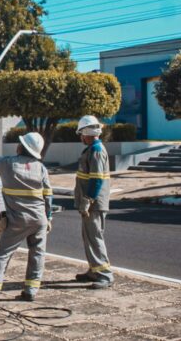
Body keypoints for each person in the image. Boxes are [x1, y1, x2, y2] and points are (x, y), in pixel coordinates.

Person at [0, 132, 53, 303]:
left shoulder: (7, 164)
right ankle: (30, 291)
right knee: (37, 254)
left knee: (3, 254)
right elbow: (48, 195)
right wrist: (48, 217)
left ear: (21, 147)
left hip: (18, 220)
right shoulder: (41, 168)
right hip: (39, 220)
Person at [73, 115, 114, 289]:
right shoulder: (92, 149)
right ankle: (94, 270)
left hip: (94, 204)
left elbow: (96, 179)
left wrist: (88, 200)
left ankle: (105, 274)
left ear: (87, 132)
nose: (81, 137)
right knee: (89, 236)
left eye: (81, 133)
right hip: (91, 203)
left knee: (95, 237)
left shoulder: (96, 150)